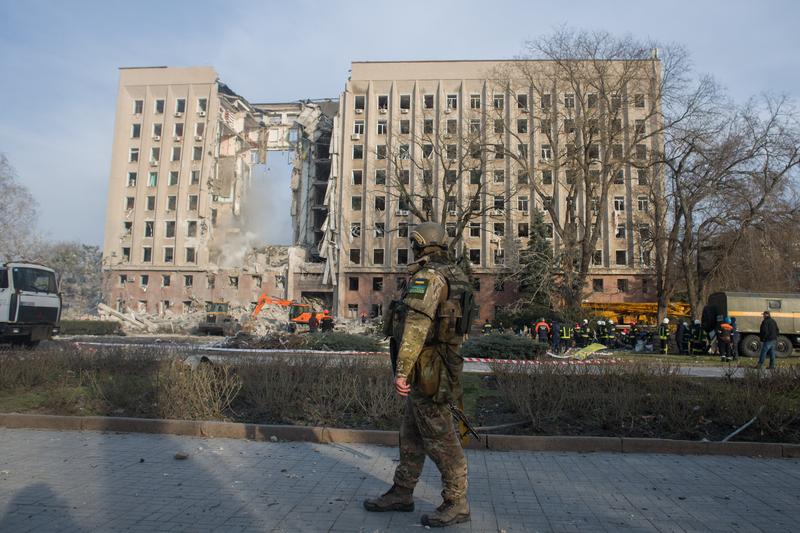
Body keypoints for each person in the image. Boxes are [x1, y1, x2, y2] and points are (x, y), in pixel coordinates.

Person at [365, 221, 473, 527]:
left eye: (415, 244)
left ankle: (457, 502)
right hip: (437, 363)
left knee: (441, 438)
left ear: (421, 245)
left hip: (428, 367)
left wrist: (403, 370)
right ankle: (402, 492)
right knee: (411, 434)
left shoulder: (429, 277)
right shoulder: (456, 274)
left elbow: (416, 325)